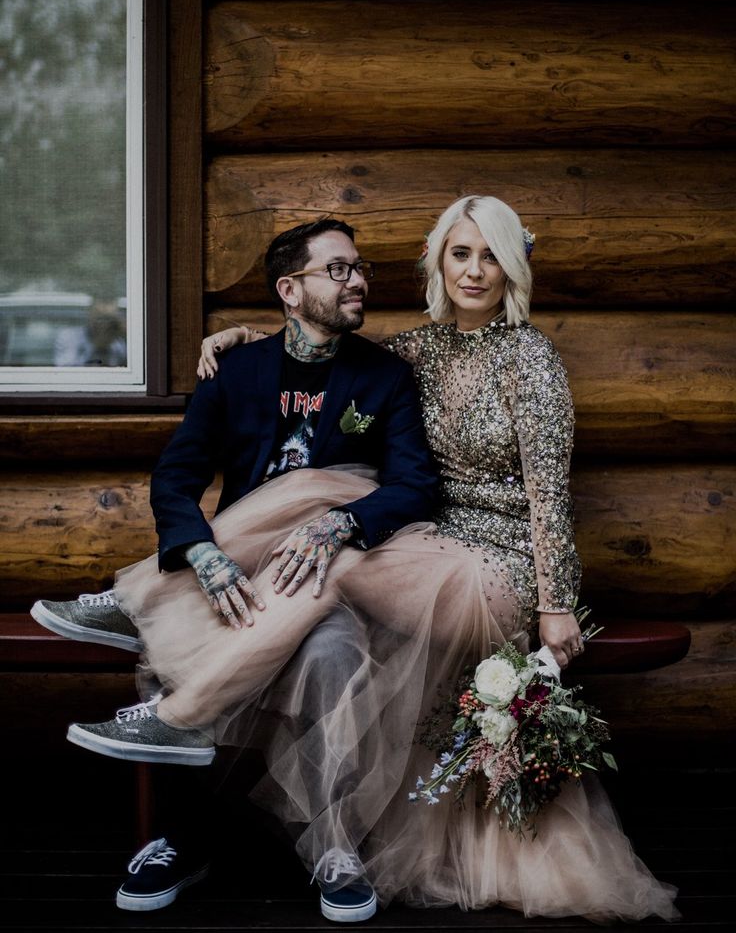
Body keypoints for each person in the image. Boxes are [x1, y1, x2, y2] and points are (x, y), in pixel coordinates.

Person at [34, 198, 679, 923]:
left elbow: (547, 494)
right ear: (438, 261)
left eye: (490, 256)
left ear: (512, 268)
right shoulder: (418, 350)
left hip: (494, 566)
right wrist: (245, 340)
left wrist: (558, 605)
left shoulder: (529, 358)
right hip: (422, 548)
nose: (473, 270)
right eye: (460, 253)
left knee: (327, 526)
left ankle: (187, 710)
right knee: (315, 513)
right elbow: (318, 343)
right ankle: (191, 816)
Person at [31, 217, 437, 920]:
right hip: (238, 575)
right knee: (180, 644)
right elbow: (175, 477)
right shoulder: (236, 371)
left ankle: (336, 846)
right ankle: (180, 842)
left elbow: (413, 485)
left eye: (360, 268)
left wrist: (346, 517)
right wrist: (203, 554)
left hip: (327, 581)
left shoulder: (386, 378)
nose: (359, 281)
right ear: (290, 289)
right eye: (338, 270)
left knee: (335, 651)